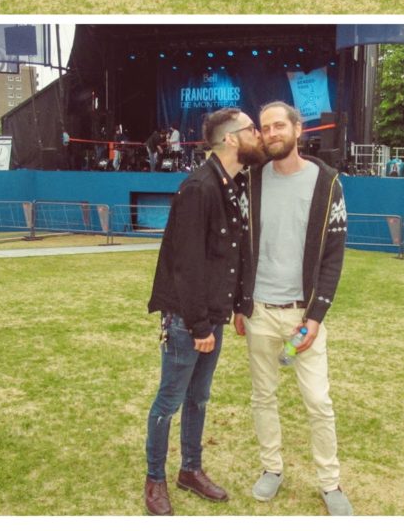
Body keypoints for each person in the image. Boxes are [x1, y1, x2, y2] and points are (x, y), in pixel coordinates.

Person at [234, 101, 353, 516]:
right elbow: (240, 248)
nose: (271, 134)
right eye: (265, 128)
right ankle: (272, 468)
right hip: (260, 311)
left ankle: (329, 482)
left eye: (279, 125)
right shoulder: (250, 181)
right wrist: (239, 304)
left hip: (303, 315)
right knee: (262, 396)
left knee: (318, 401)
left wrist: (316, 317)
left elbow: (334, 256)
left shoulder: (328, 182)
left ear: (298, 129)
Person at [144, 108, 265, 516]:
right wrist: (198, 325)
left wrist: (237, 307)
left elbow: (230, 255)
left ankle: (190, 470)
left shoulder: (233, 183)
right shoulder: (199, 188)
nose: (259, 135)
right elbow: (187, 264)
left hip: (209, 315)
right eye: (252, 130)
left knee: (199, 398)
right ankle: (155, 479)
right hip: (186, 319)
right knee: (170, 400)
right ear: (231, 139)